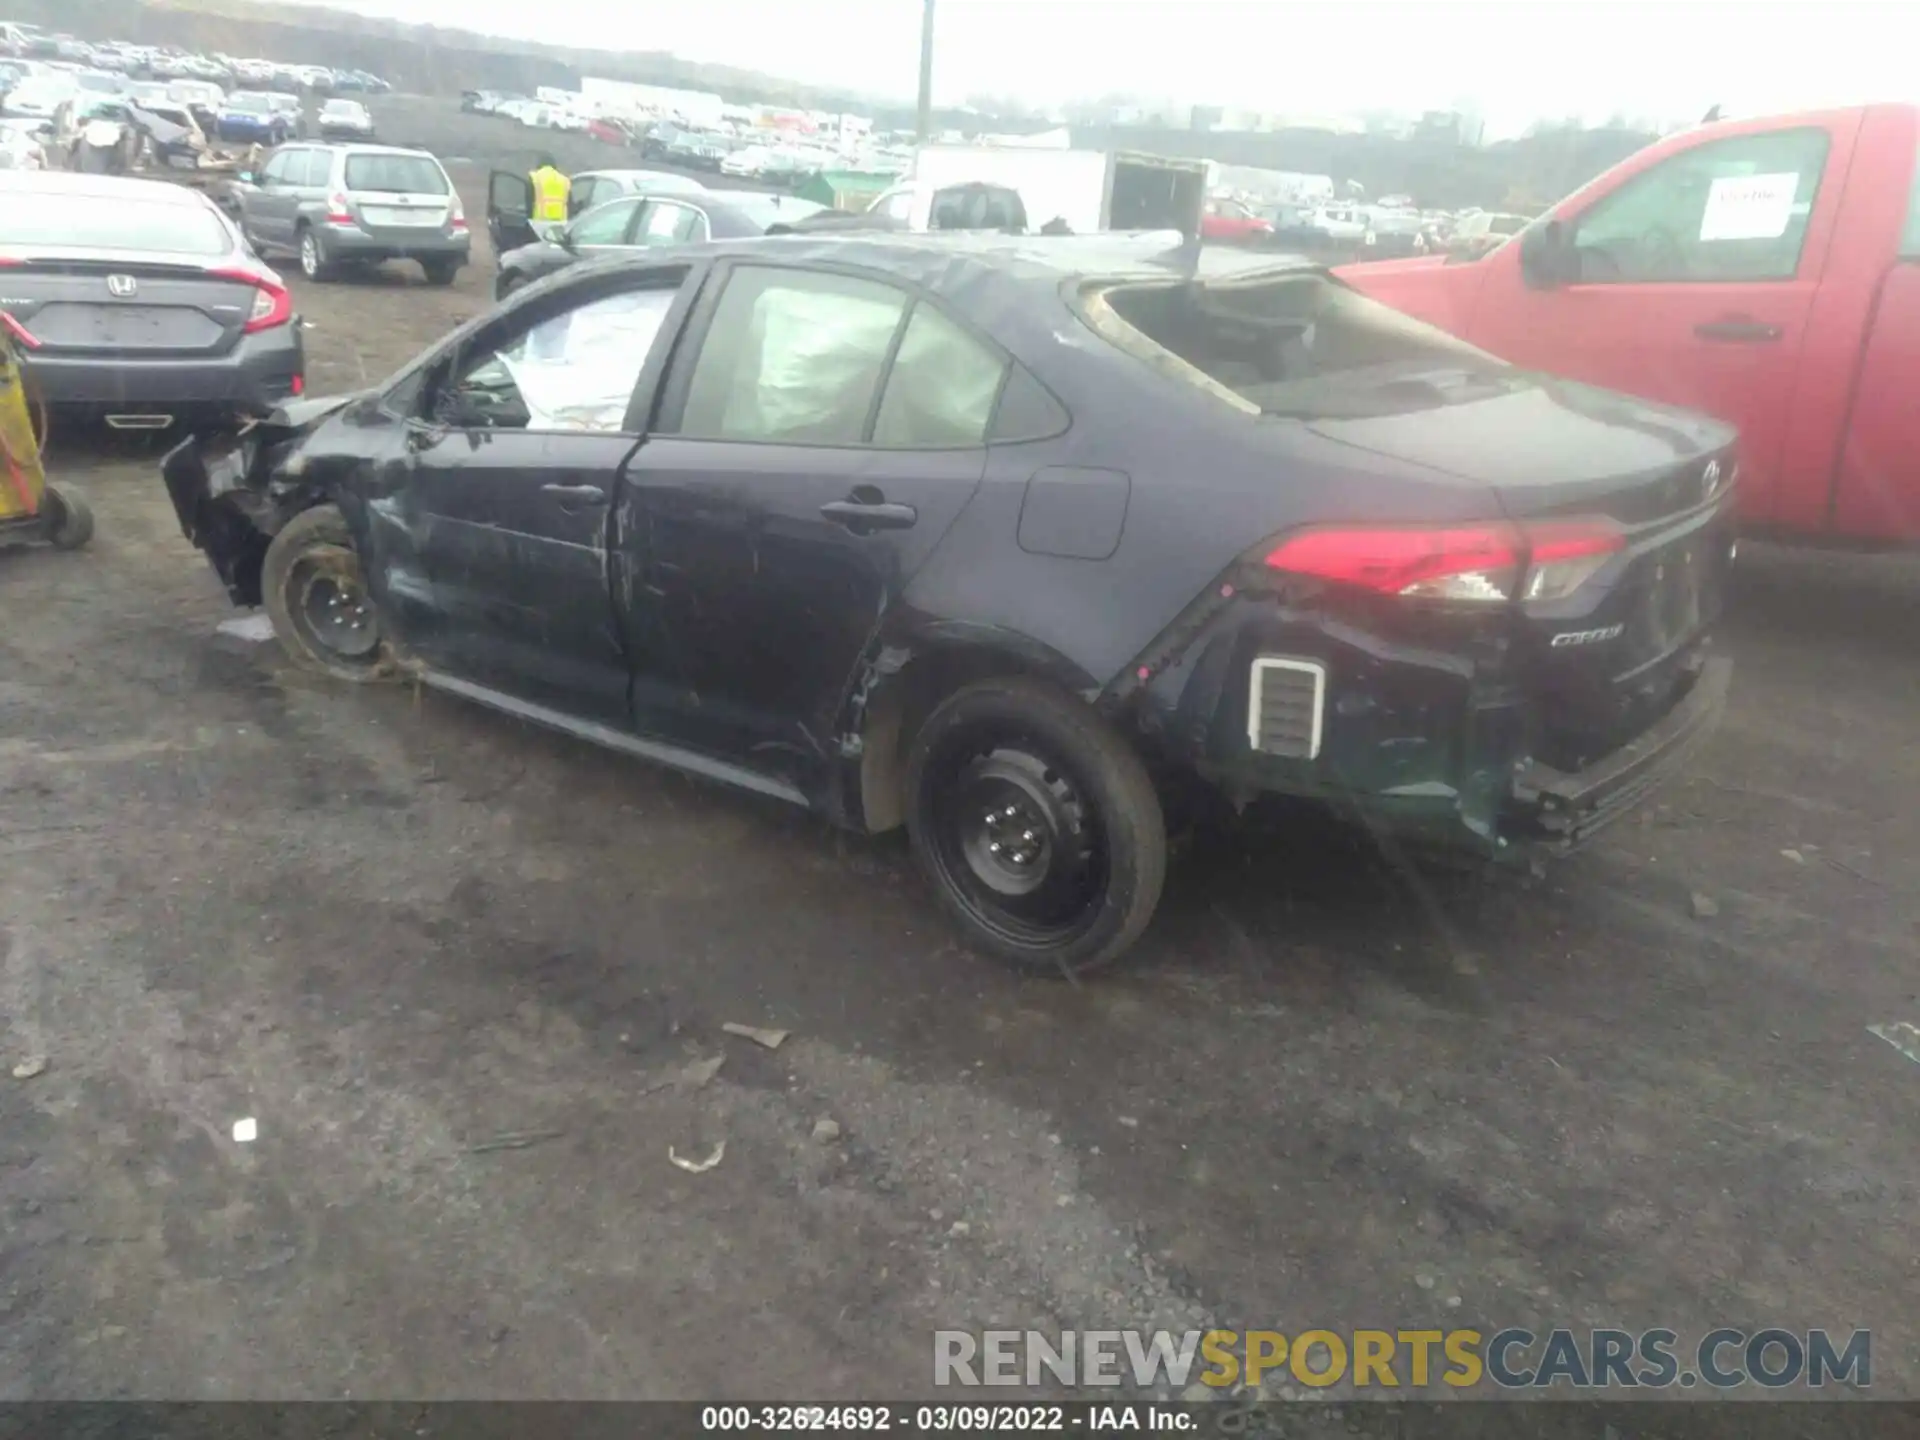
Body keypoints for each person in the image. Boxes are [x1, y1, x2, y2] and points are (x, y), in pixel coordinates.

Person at [529, 153, 570, 226]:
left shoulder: (535, 177)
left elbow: (529, 200)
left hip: (540, 223)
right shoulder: (564, 180)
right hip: (561, 223)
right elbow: (569, 203)